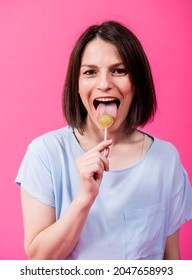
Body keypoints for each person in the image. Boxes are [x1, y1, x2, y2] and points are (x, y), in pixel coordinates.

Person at [15, 20, 192, 260]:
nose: (104, 84)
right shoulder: (45, 153)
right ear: (77, 86)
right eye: (90, 72)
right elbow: (39, 259)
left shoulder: (166, 159)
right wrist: (84, 199)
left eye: (119, 71)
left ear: (137, 83)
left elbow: (171, 261)